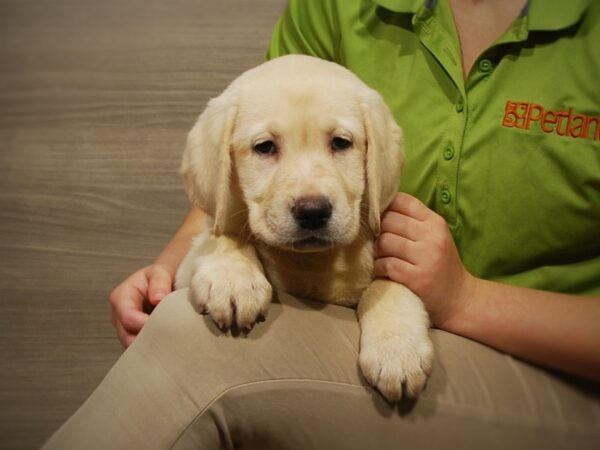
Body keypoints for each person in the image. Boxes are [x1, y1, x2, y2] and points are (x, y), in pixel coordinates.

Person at [45, 0, 600, 449]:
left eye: (341, 145)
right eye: (269, 149)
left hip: (564, 381)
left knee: (202, 356)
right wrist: (177, 263)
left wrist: (464, 300)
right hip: (370, 328)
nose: (311, 197)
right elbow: (248, 134)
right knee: (187, 326)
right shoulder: (339, 5)